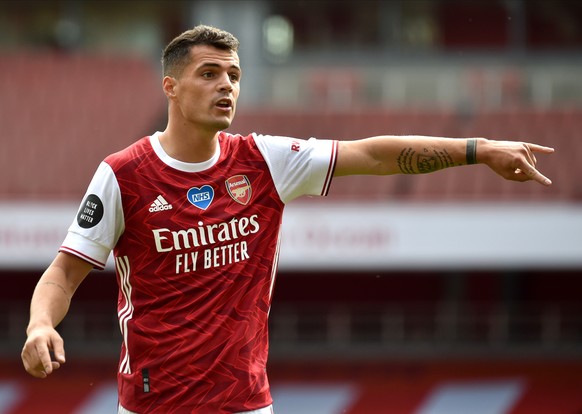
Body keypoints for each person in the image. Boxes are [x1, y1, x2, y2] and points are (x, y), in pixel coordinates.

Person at [21, 25, 554, 414]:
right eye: (208, 74)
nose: (226, 85)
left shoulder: (265, 160)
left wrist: (479, 148)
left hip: (246, 403)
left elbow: (371, 155)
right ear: (171, 87)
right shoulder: (123, 175)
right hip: (153, 404)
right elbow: (65, 272)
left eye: (233, 74)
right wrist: (41, 323)